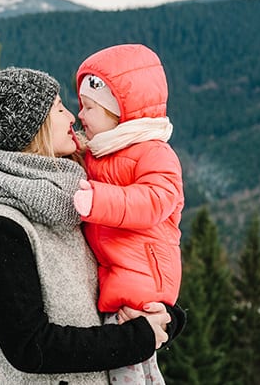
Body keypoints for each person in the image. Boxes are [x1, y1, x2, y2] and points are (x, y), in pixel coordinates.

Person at [0, 66, 184, 384]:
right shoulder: (1, 227)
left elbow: (131, 270)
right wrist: (138, 338)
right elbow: (30, 347)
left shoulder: (76, 203)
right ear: (31, 129)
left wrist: (166, 319)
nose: (72, 118)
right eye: (59, 109)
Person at [71, 44, 185, 383]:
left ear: (119, 112)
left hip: (142, 280)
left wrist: (98, 201)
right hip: (118, 275)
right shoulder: (101, 150)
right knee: (138, 366)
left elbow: (156, 199)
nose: (80, 114)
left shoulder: (154, 153)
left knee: (127, 367)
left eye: (89, 107)